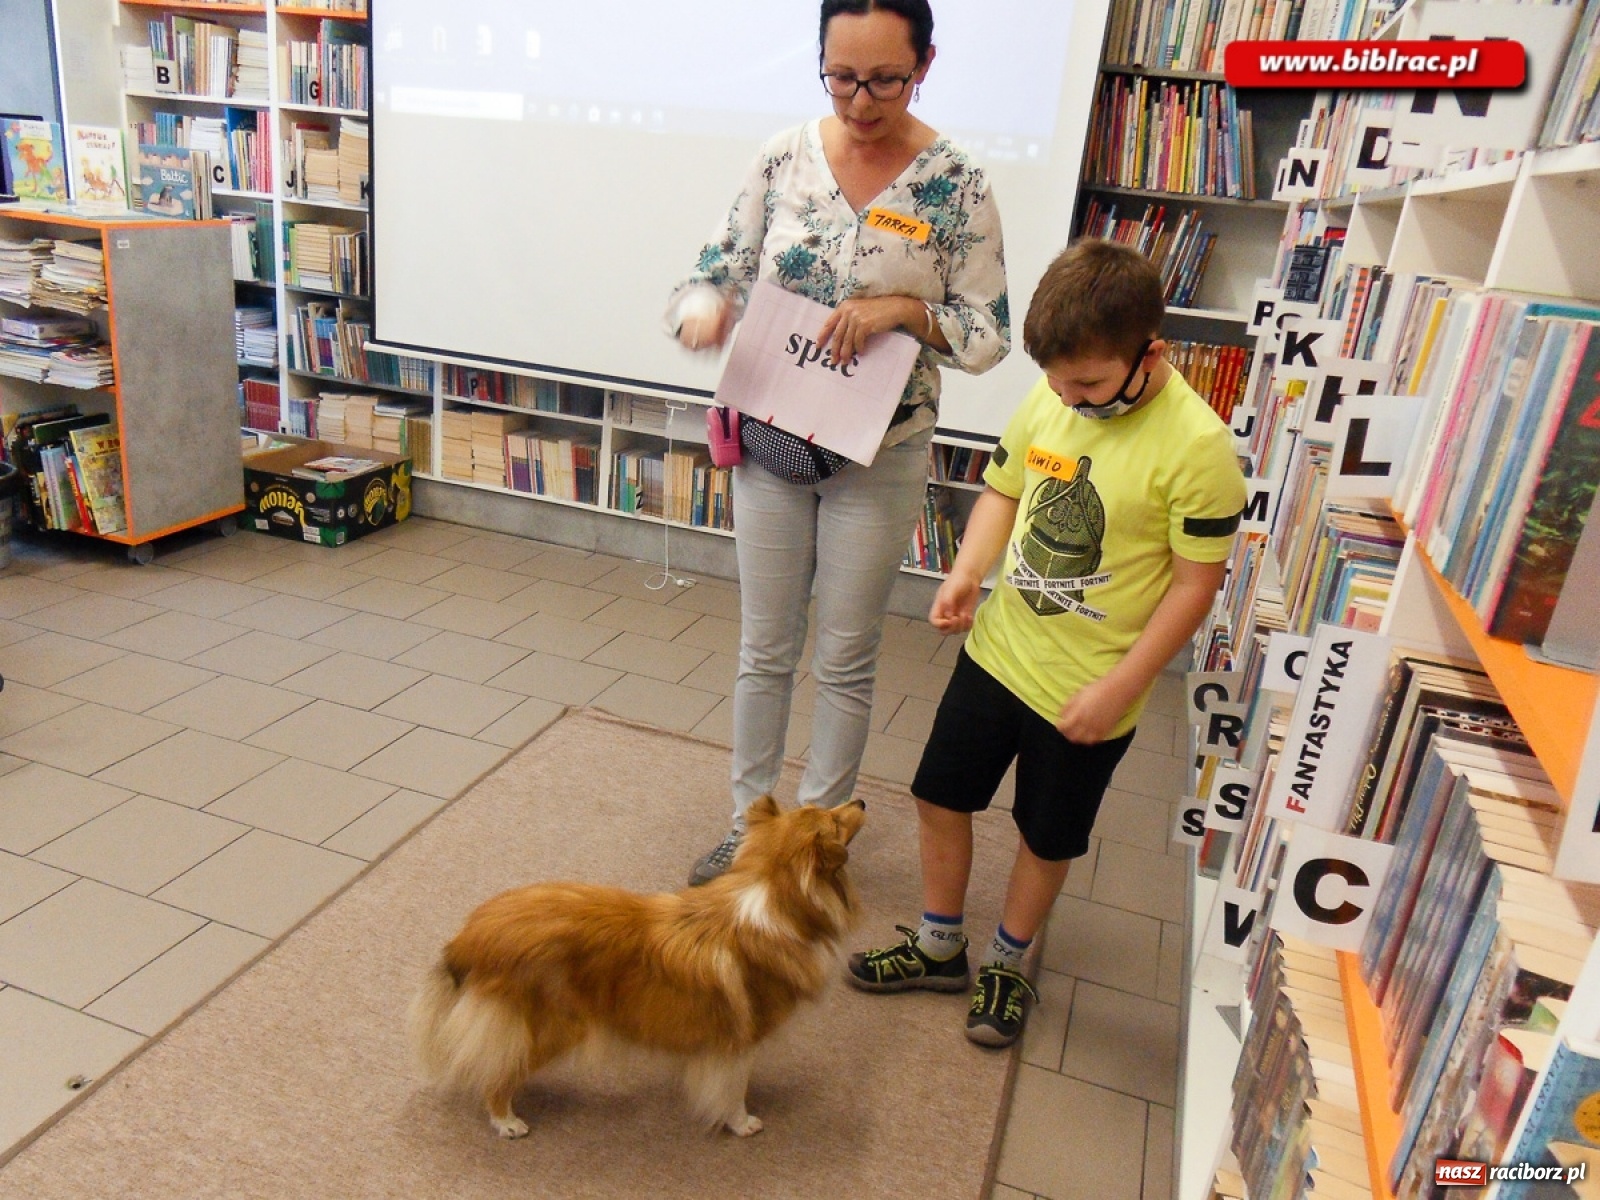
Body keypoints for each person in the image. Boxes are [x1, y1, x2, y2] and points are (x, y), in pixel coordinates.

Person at [846, 239, 1248, 1047]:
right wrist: (968, 571)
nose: (1070, 398)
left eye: (1089, 385)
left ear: (1150, 354)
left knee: (1044, 834)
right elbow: (1005, 487)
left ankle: (1008, 960)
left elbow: (1193, 589)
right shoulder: (1054, 395)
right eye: (1058, 383)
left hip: (1089, 688)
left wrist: (1120, 688)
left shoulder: (1201, 450)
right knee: (939, 796)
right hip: (998, 654)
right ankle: (939, 944)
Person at [667, 0, 1010, 885]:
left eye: (885, 81)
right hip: (773, 444)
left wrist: (905, 311)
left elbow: (987, 335)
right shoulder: (784, 158)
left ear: (925, 64)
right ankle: (748, 831)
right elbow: (712, 270)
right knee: (765, 648)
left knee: (847, 656)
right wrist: (704, 310)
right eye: (842, 77)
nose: (860, 102)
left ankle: (815, 847)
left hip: (879, 456)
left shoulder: (958, 184)